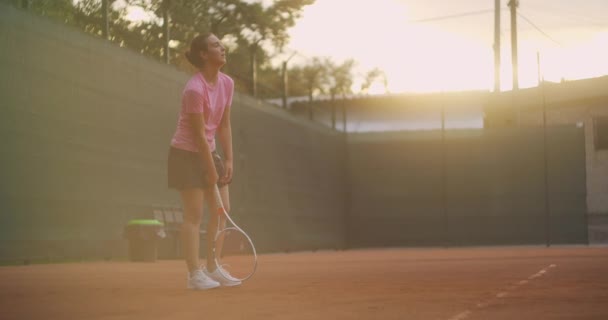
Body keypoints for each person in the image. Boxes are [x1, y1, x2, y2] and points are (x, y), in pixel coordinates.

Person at [167, 33, 240, 290]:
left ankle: (213, 266)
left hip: (209, 151)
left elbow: (224, 124)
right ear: (203, 55)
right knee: (195, 214)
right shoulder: (194, 90)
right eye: (215, 45)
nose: (222, 47)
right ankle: (194, 274)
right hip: (186, 154)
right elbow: (197, 135)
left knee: (222, 210)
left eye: (221, 43)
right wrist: (211, 171)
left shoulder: (227, 83)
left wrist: (228, 159)